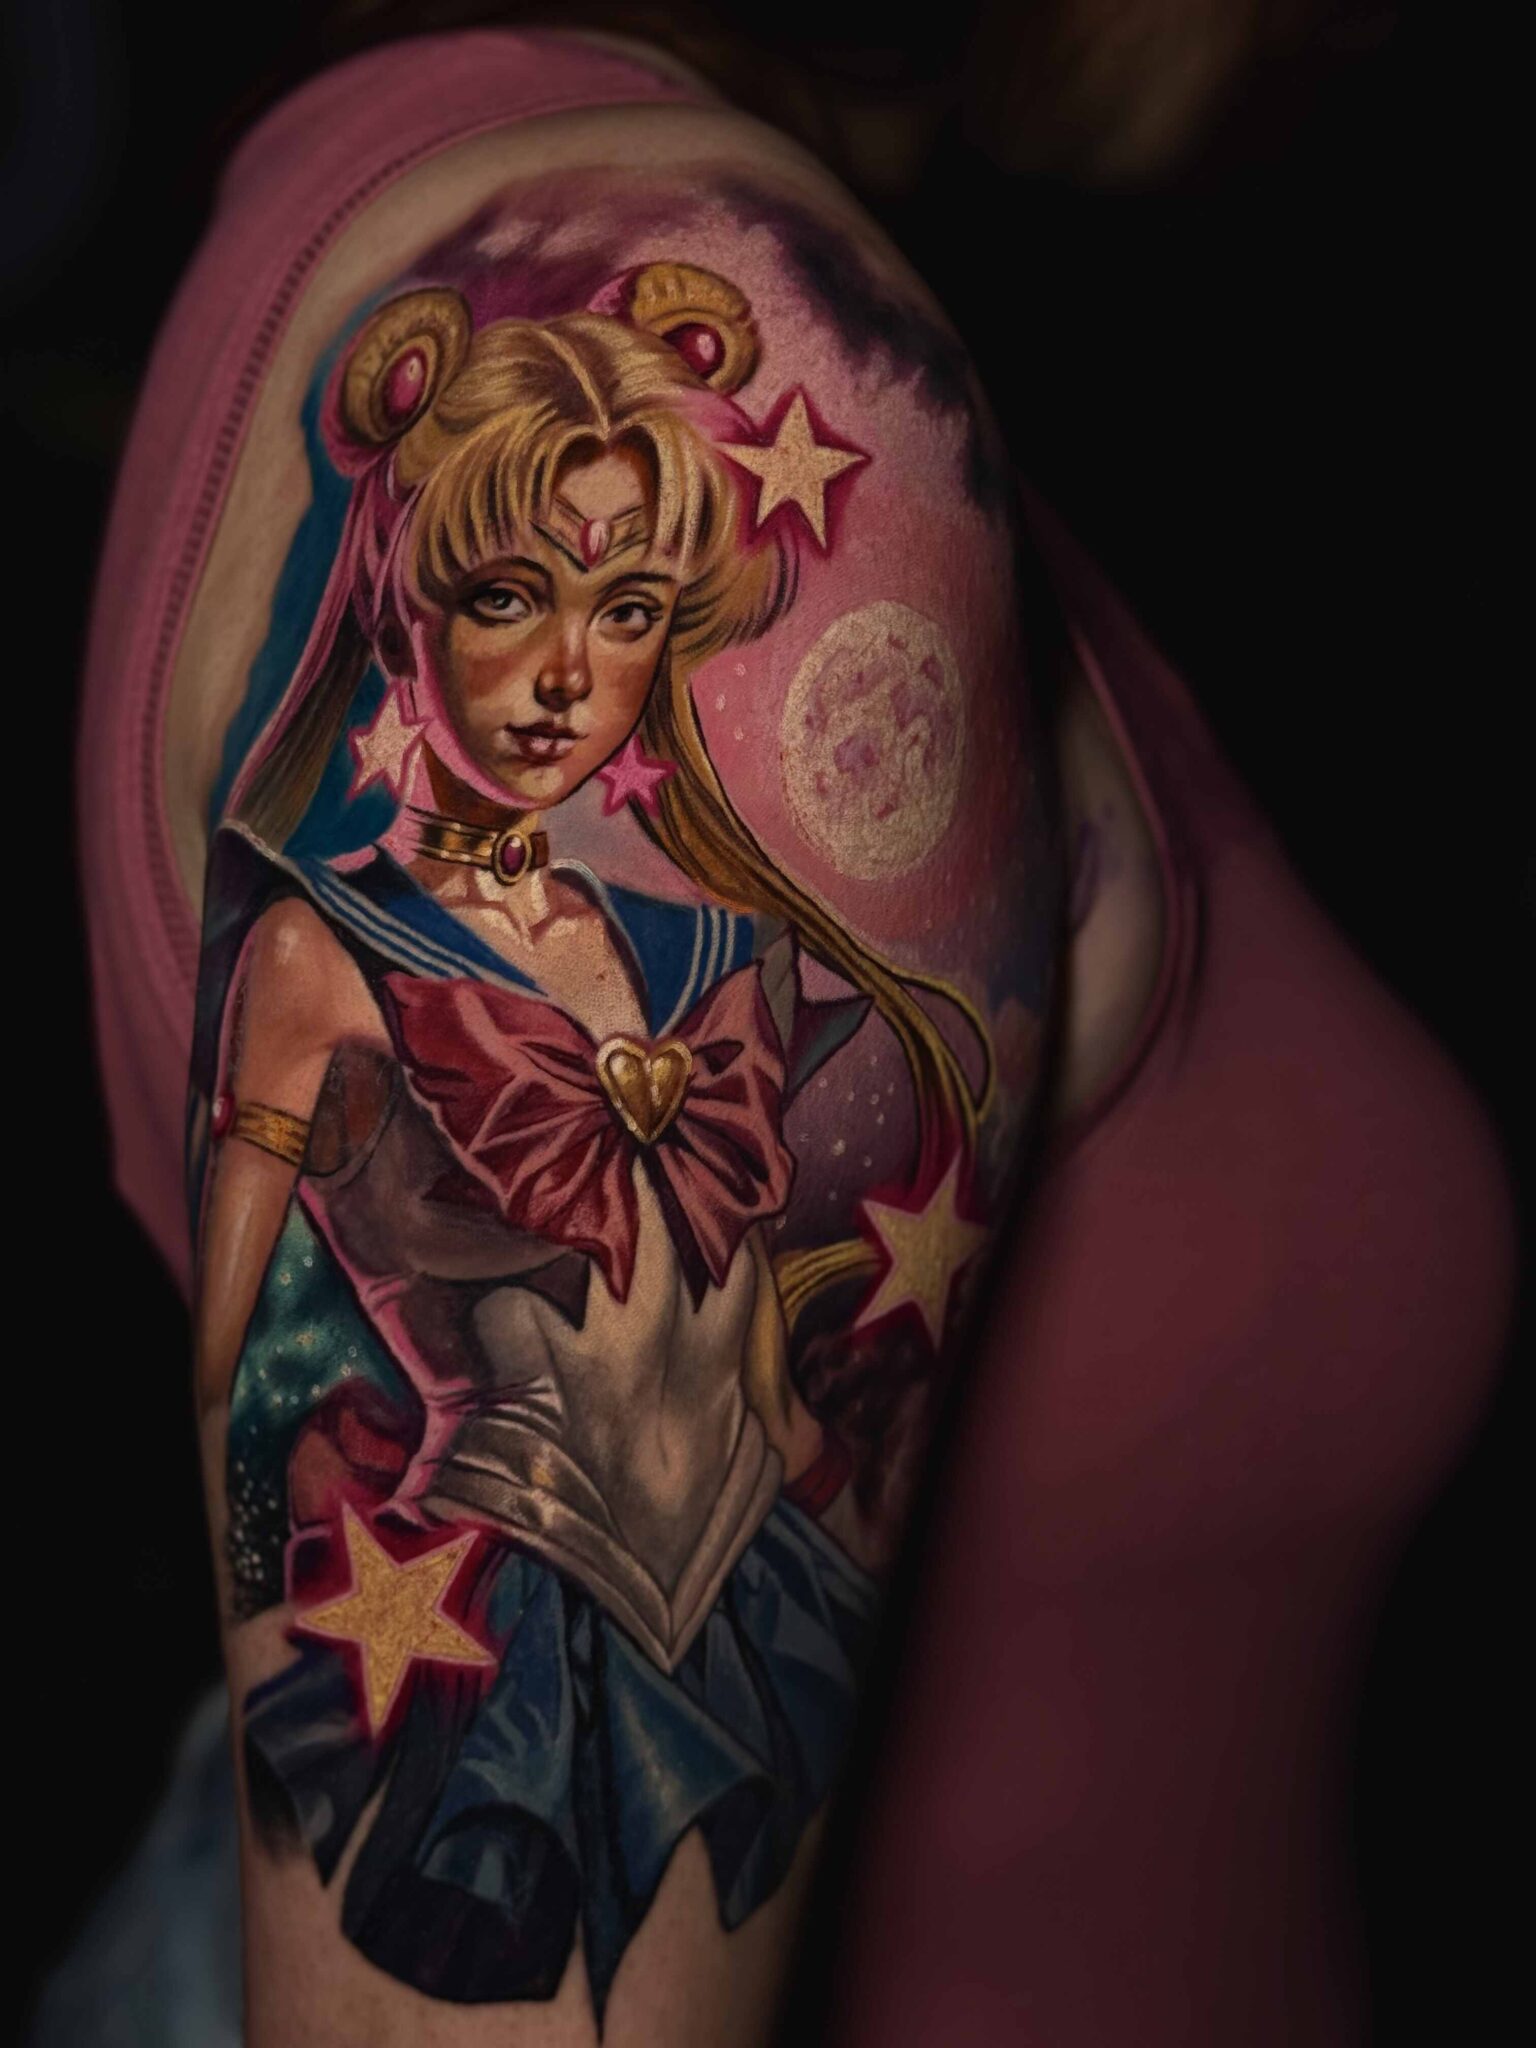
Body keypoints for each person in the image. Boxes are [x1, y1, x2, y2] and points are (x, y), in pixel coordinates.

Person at [49, 18, 1516, 2048]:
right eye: (507, 595)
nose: (567, 677)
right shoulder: (677, 282)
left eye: (630, 615)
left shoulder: (423, 190)